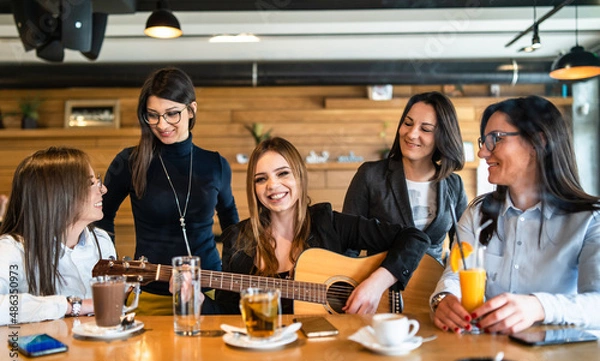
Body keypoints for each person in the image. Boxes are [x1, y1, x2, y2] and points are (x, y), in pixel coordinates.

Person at [431, 95, 600, 334]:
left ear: (537, 142)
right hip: (488, 357)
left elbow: (597, 305)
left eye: (495, 139)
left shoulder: (590, 220)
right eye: (484, 141)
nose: (482, 152)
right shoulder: (477, 214)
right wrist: (444, 299)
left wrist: (538, 306)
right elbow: (456, 275)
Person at [208, 137, 430, 314]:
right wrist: (197, 300)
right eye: (261, 179)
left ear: (300, 177)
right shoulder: (237, 239)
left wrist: (376, 283)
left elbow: (414, 238)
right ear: (254, 188)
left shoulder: (328, 223)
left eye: (283, 173)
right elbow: (226, 315)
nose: (272, 185)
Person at [97, 67, 239, 315]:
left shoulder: (216, 164)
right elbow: (102, 215)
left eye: (172, 114)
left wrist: (228, 277)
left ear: (192, 109)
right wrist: (114, 268)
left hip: (208, 292)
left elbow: (231, 225)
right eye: (153, 115)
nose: (162, 125)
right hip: (150, 293)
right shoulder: (129, 161)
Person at [343, 91, 467, 264]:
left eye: (425, 129)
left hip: (434, 287)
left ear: (442, 137)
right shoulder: (370, 176)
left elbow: (463, 248)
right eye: (408, 123)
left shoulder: (454, 184)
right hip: (382, 288)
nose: (411, 134)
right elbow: (347, 244)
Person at [0, 147, 116, 325]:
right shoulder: (12, 251)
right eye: (91, 183)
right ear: (58, 194)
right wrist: (71, 306)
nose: (103, 189)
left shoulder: (101, 241)